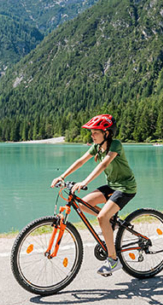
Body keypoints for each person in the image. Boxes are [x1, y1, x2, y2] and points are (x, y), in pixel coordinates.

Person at [51, 114, 137, 277]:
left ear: (106, 133)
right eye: (91, 132)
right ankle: (111, 221)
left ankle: (113, 260)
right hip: (112, 186)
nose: (92, 135)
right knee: (82, 204)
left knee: (101, 218)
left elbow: (104, 164)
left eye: (95, 132)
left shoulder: (115, 145)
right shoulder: (97, 147)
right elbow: (80, 161)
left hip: (126, 187)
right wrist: (62, 176)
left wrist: (84, 181)